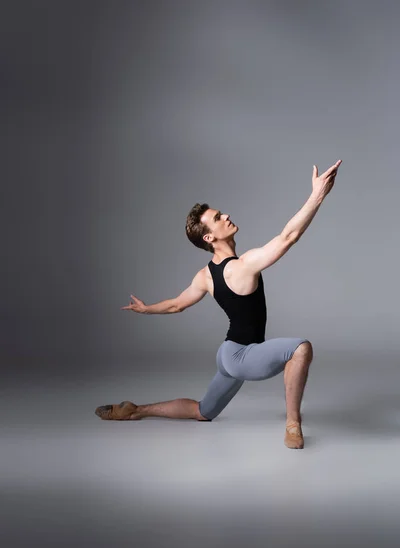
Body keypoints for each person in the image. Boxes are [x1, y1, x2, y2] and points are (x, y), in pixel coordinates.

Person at [95, 160, 342, 449]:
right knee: (300, 349)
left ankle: (135, 410)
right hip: (241, 356)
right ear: (210, 237)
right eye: (217, 217)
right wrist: (317, 195)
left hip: (228, 354)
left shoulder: (205, 275)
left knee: (203, 411)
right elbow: (289, 236)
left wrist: (146, 308)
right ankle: (292, 424)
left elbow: (177, 305)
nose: (226, 215)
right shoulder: (242, 266)